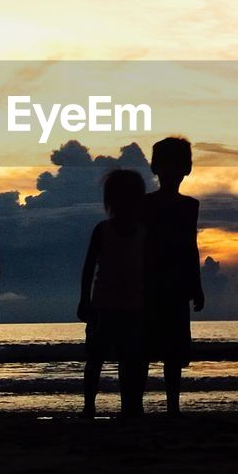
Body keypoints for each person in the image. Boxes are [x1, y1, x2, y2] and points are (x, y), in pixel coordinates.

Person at [78, 168, 149, 418]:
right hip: (103, 305)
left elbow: (148, 269)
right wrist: (84, 300)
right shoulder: (103, 230)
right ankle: (89, 406)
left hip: (134, 305)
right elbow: (88, 268)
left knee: (131, 360)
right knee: (96, 358)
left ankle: (132, 406)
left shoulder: (143, 232)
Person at [143, 137, 204, 416]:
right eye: (167, 164)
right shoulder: (145, 204)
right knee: (144, 349)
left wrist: (196, 285)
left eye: (176, 164)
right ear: (156, 167)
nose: (171, 170)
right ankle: (138, 404)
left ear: (187, 168)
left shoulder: (190, 206)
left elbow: (191, 246)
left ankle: (172, 407)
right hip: (150, 282)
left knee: (173, 354)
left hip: (176, 284)